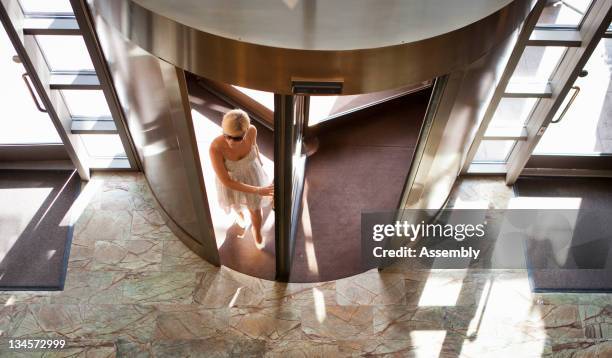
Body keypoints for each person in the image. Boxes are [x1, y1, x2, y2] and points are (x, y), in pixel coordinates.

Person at [209, 109, 274, 249]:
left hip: (252, 174)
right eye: (227, 136)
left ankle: (256, 231)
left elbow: (255, 147)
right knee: (234, 203)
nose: (231, 141)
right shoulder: (215, 148)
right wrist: (258, 189)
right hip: (231, 181)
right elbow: (227, 181)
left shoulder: (252, 131)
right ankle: (239, 215)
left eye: (237, 138)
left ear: (245, 132)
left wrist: (260, 164)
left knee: (255, 210)